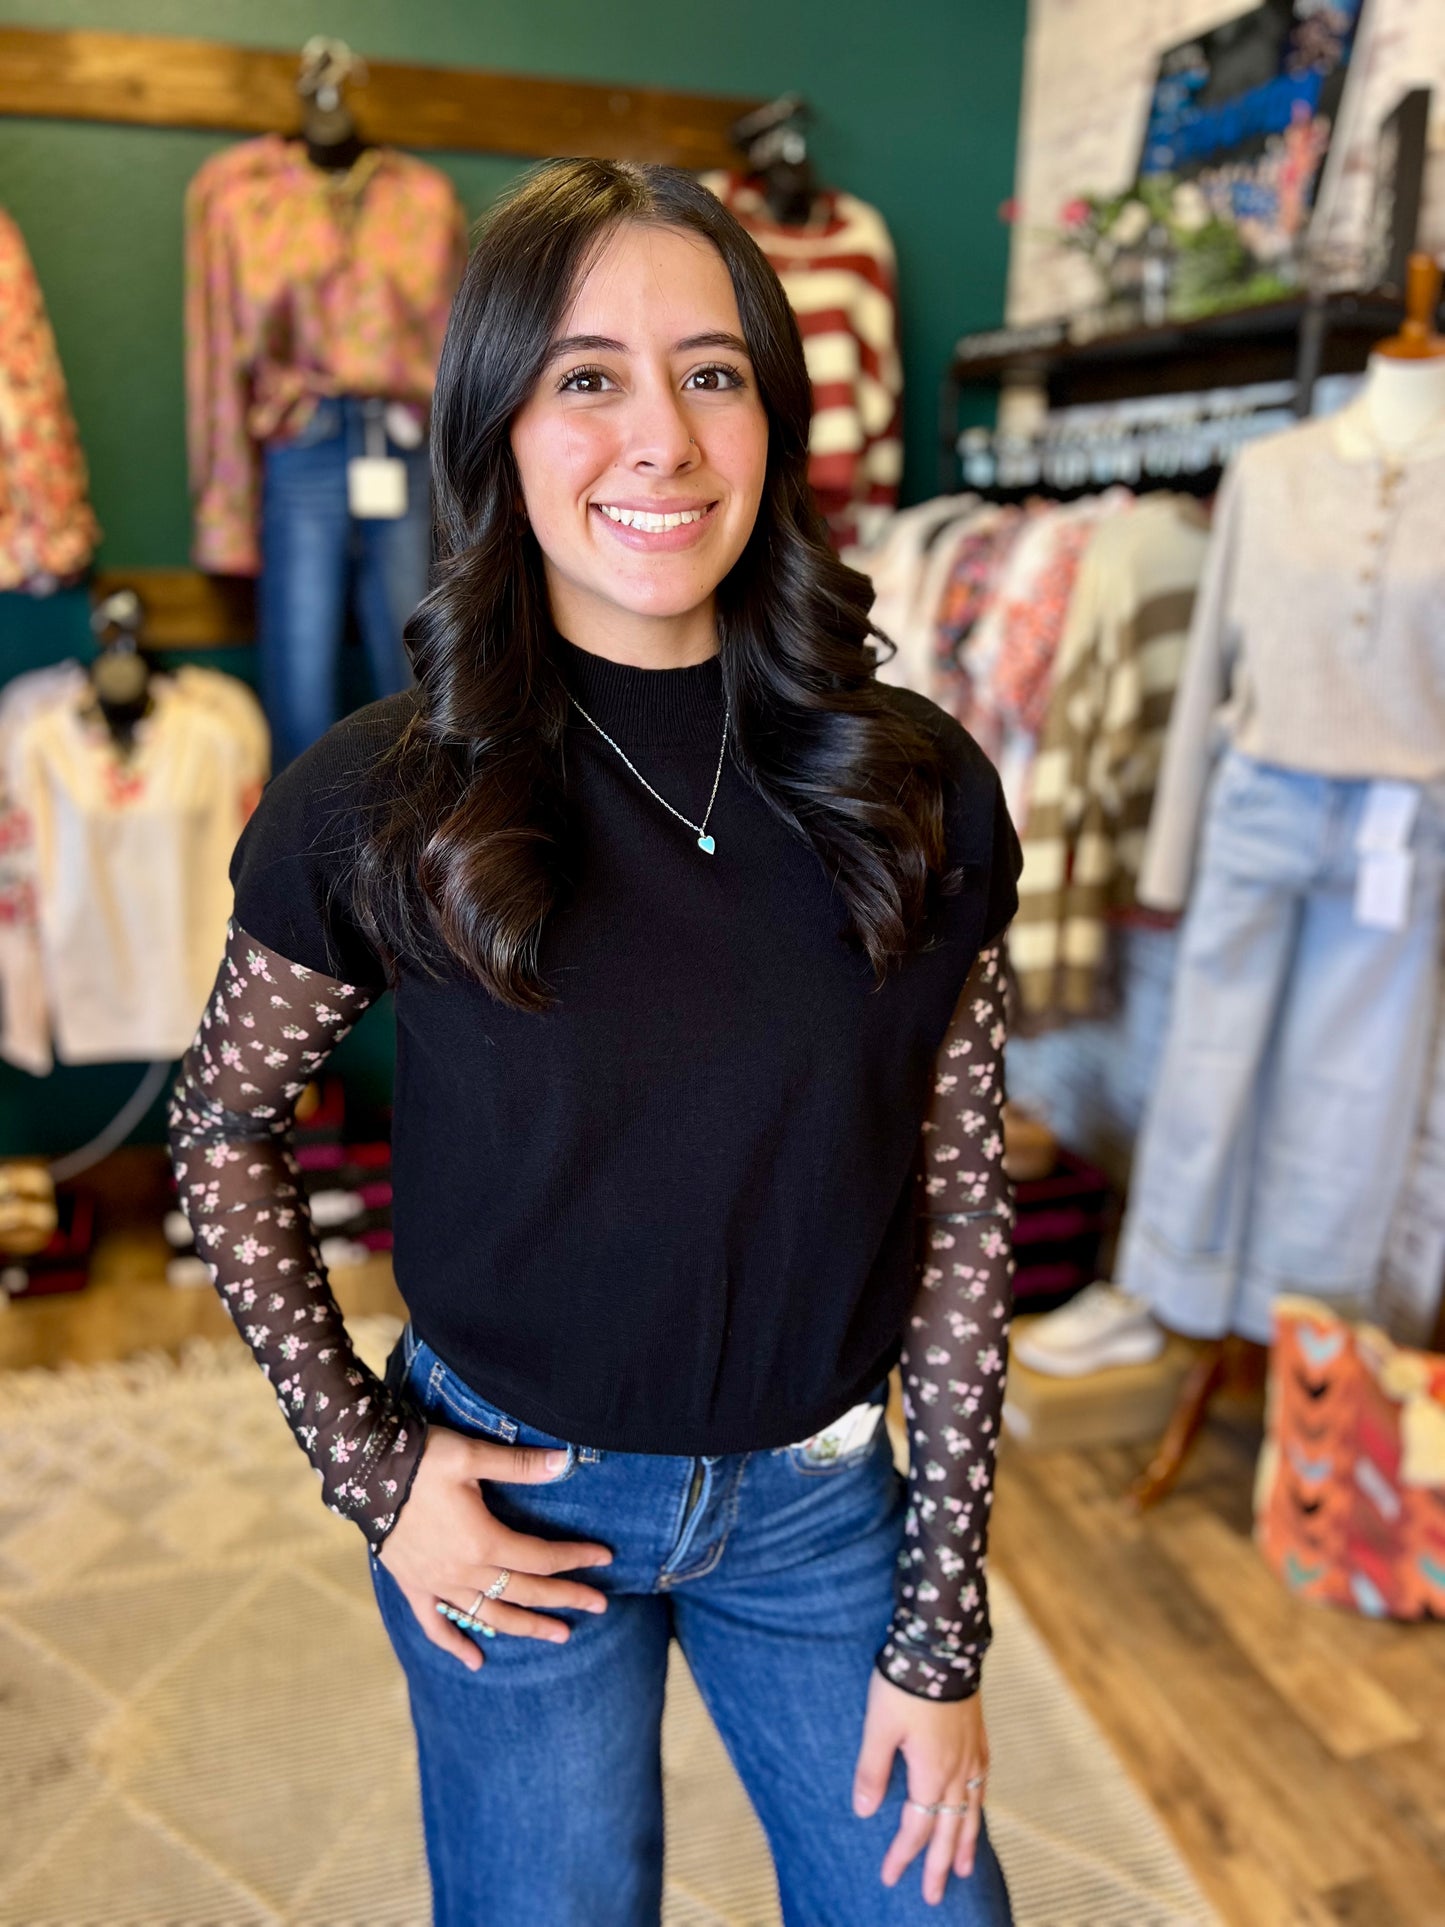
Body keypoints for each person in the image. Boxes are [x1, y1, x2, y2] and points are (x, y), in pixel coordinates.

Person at [167, 157, 1021, 1926]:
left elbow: (964, 1213)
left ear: (775, 420)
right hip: (513, 1509)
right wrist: (377, 1473)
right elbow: (221, 1126)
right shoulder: (381, 800)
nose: (663, 440)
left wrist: (941, 1632)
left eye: (713, 373)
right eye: (586, 378)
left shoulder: (914, 785)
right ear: (496, 425)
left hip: (818, 1512)